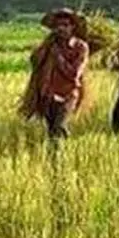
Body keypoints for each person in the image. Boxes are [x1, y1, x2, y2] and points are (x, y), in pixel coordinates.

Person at [30, 8, 90, 140]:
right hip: (48, 94)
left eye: (65, 25)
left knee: (60, 127)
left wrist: (58, 57)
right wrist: (43, 48)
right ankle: (54, 158)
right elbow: (35, 63)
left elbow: (74, 74)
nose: (61, 29)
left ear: (73, 27)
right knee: (51, 130)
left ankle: (64, 155)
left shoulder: (80, 47)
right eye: (58, 26)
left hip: (68, 94)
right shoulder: (50, 45)